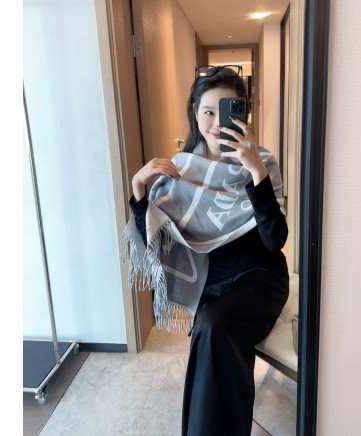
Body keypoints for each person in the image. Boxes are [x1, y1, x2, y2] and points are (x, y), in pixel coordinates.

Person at [122, 65, 290, 436]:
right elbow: (157, 240)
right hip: (211, 283)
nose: (216, 123)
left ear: (243, 115)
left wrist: (255, 171)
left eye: (226, 111)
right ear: (195, 114)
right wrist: (137, 188)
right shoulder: (182, 169)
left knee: (213, 329)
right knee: (211, 335)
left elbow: (275, 239)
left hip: (260, 278)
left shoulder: (263, 161)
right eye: (207, 112)